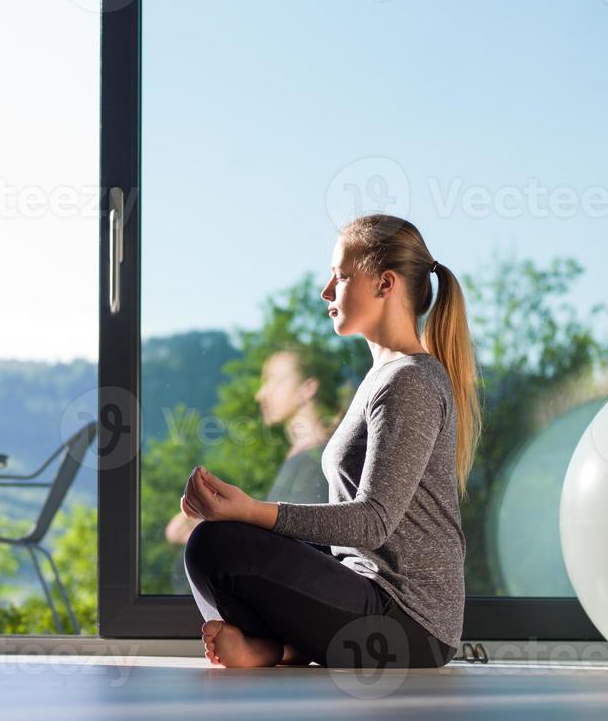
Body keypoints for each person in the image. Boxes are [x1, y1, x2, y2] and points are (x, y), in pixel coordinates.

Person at [181, 214, 482, 670]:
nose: (327, 291)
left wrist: (248, 511)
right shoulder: (383, 377)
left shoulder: (410, 382)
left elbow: (372, 523)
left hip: (409, 624)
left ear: (385, 284)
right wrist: (242, 518)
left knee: (217, 546)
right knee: (222, 537)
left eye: (341, 276)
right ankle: (281, 650)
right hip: (369, 595)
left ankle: (275, 650)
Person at [163, 348, 337, 593]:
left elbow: (302, 549)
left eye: (274, 381)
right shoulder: (301, 459)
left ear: (308, 388)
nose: (260, 394)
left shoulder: (317, 462)